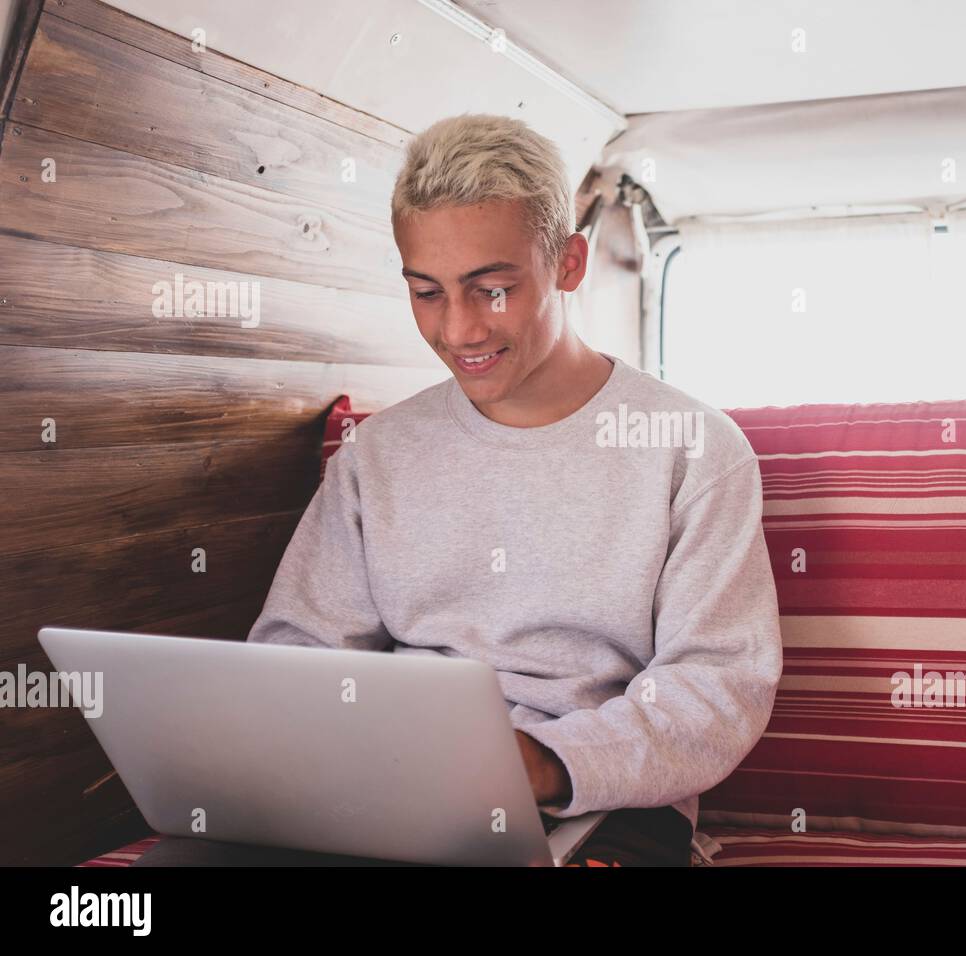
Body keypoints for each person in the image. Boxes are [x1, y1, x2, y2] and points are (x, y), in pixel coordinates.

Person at [132, 113, 783, 868]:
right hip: (391, 788)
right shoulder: (376, 453)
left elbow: (718, 686)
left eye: (492, 289)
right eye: (427, 293)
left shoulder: (694, 448)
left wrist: (538, 762)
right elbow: (299, 653)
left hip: (599, 804)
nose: (460, 330)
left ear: (568, 263)